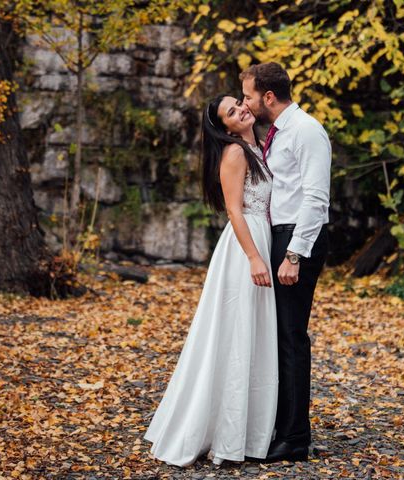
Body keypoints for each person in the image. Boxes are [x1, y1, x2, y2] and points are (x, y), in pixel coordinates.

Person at [144, 94, 278, 466]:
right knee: (234, 333)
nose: (241, 110)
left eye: (239, 103)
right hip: (244, 246)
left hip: (261, 238)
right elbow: (234, 209)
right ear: (226, 128)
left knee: (253, 334)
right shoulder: (235, 153)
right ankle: (223, 433)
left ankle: (249, 430)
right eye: (232, 113)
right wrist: (253, 257)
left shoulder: (259, 146)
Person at [240, 62, 331, 462]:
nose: (246, 103)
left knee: (292, 337)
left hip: (297, 240)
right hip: (279, 238)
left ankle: (295, 438)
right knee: (277, 337)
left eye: (248, 96)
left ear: (269, 97)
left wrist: (294, 254)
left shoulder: (307, 130)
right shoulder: (276, 134)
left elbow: (315, 199)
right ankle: (278, 425)